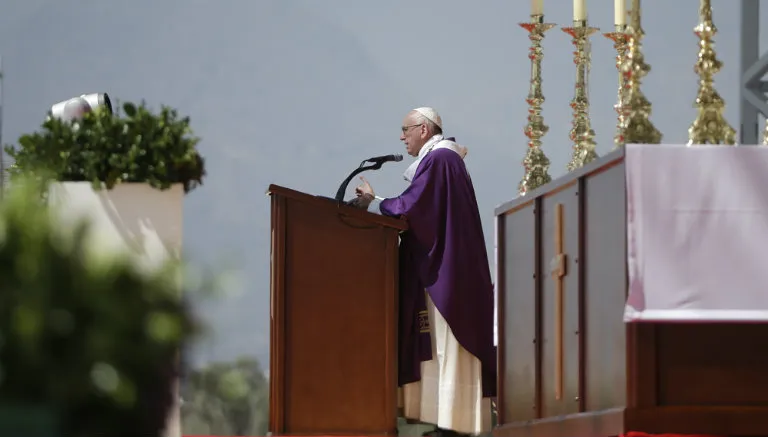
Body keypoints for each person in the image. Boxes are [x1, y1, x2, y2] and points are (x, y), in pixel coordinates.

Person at [353, 107, 496, 437]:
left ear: (424, 129)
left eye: (405, 130)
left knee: (446, 345)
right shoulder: (443, 159)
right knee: (438, 346)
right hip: (445, 266)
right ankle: (446, 424)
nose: (401, 137)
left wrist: (376, 201)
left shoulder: (441, 159)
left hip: (445, 271)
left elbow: (415, 207)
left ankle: (454, 426)